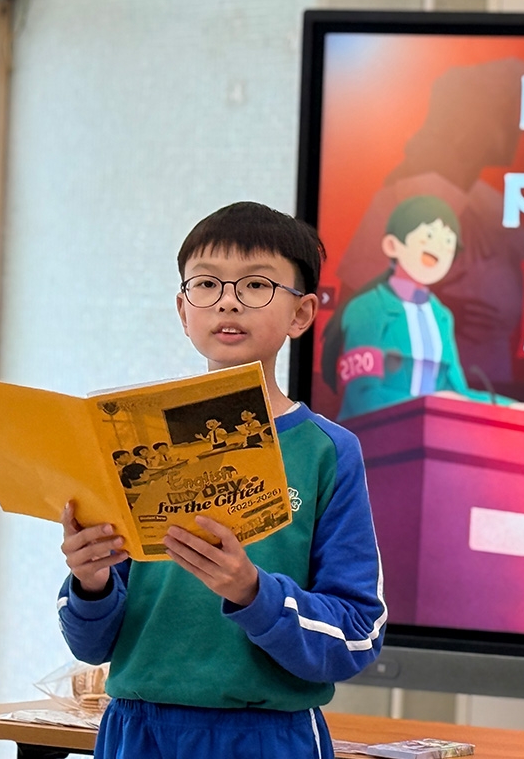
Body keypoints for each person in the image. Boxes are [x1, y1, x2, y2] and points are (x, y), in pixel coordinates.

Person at [56, 201, 387, 759]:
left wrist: (253, 592)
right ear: (183, 310)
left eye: (256, 285)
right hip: (137, 731)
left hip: (268, 736)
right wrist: (90, 583)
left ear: (302, 313)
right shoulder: (130, 440)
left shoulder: (327, 451)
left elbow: (357, 633)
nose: (228, 300)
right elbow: (91, 646)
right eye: (206, 284)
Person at [328, 194, 524, 419]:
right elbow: (362, 397)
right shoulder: (366, 309)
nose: (438, 249)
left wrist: (507, 408)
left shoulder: (442, 316)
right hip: (370, 436)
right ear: (392, 246)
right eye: (428, 236)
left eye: (448, 242)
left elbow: (457, 393)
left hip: (431, 435)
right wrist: (429, 404)